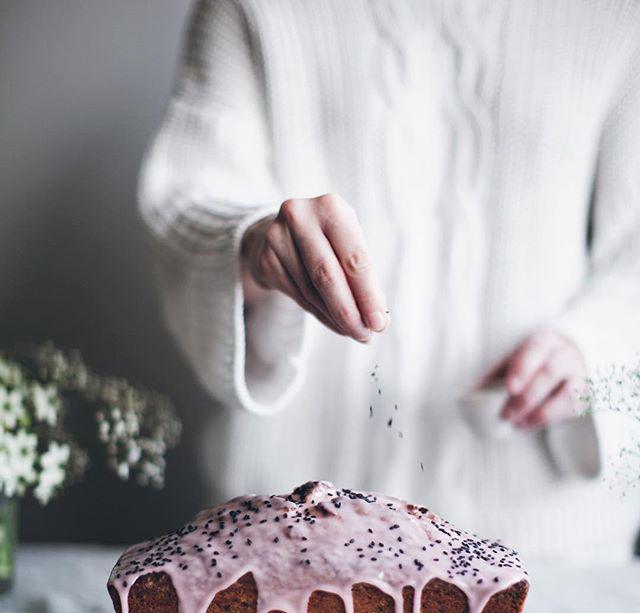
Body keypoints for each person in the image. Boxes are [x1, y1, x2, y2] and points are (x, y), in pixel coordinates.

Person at [138, 0, 640, 562]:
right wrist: (256, 246)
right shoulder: (252, 9)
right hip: (286, 535)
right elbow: (188, 201)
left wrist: (589, 348)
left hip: (548, 537)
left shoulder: (618, 17)